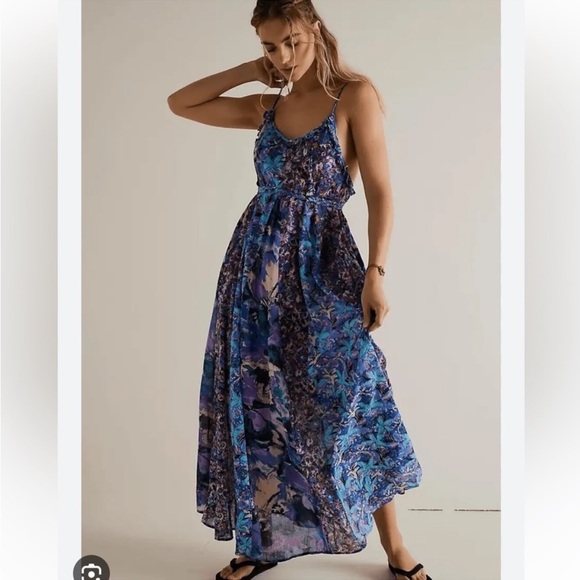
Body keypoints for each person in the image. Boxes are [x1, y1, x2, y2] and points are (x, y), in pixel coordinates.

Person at [167, 1, 431, 579]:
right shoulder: (267, 106)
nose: (283, 56)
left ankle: (394, 546)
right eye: (270, 46)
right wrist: (250, 71)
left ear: (315, 30)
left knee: (359, 394)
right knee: (260, 401)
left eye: (291, 42)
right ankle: (259, 544)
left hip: (325, 268)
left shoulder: (354, 96)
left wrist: (376, 272)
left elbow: (381, 191)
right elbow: (180, 103)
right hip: (255, 275)